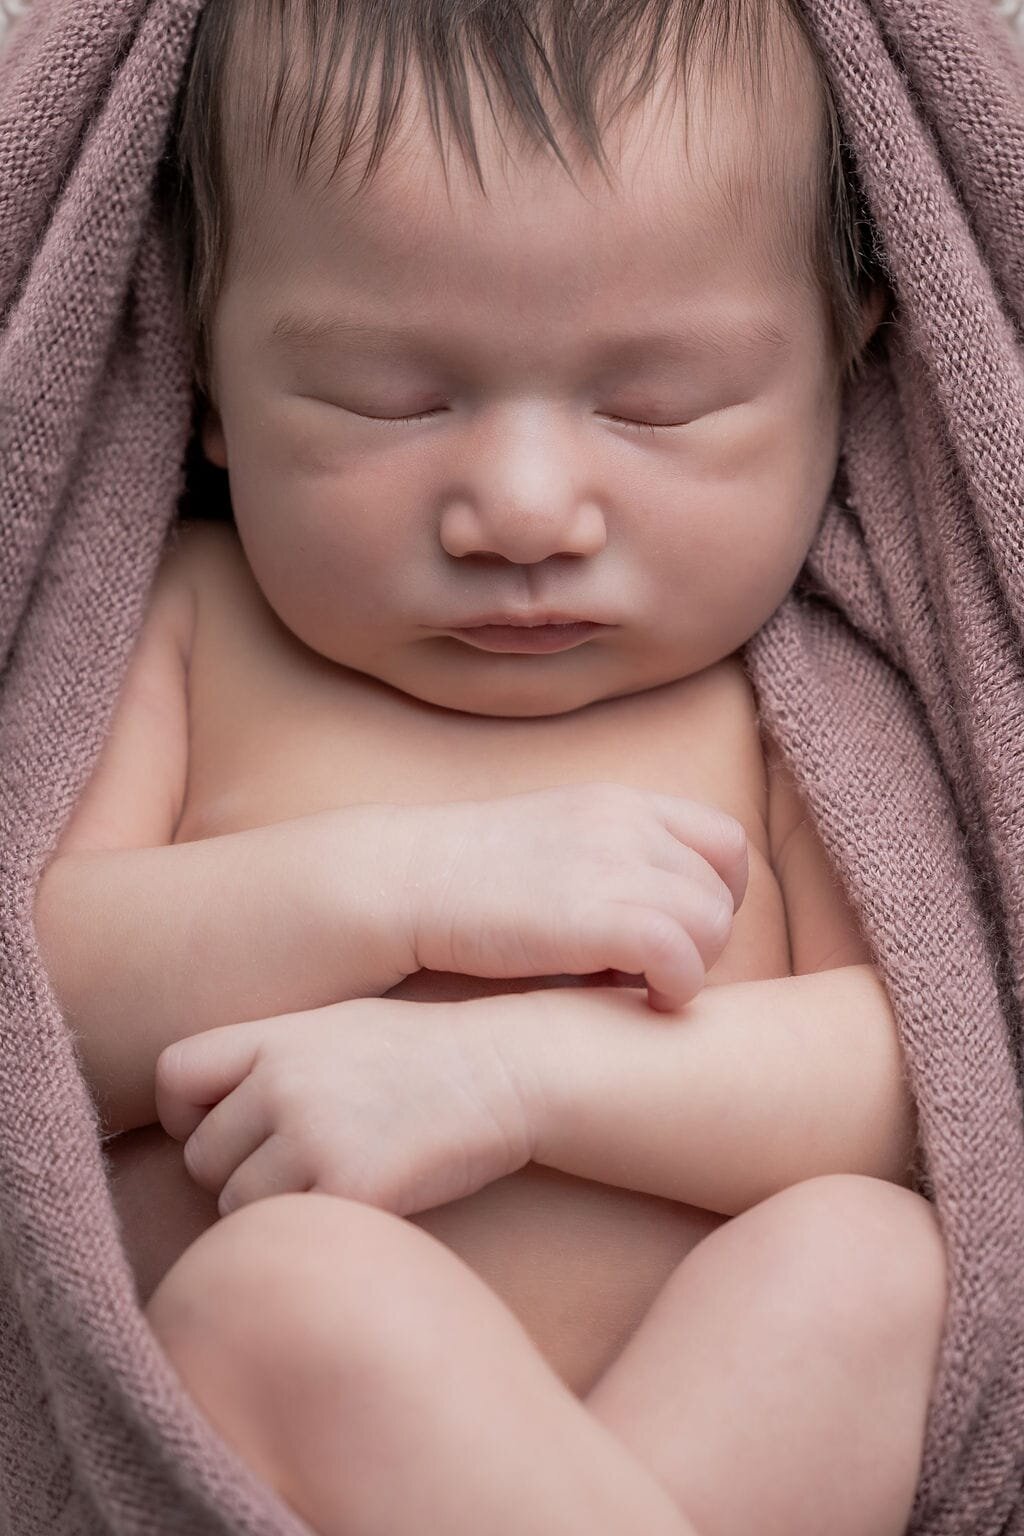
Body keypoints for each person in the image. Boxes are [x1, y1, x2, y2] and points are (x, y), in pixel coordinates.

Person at [32, 1, 948, 1532]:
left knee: (880, 1265)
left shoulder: (796, 703)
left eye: (655, 407)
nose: (524, 508)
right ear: (199, 365)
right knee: (286, 1288)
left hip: (731, 1461)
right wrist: (411, 888)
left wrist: (502, 1076)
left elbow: (913, 1087)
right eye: (391, 399)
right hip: (281, 1446)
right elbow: (34, 1005)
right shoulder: (184, 627)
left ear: (847, 368)